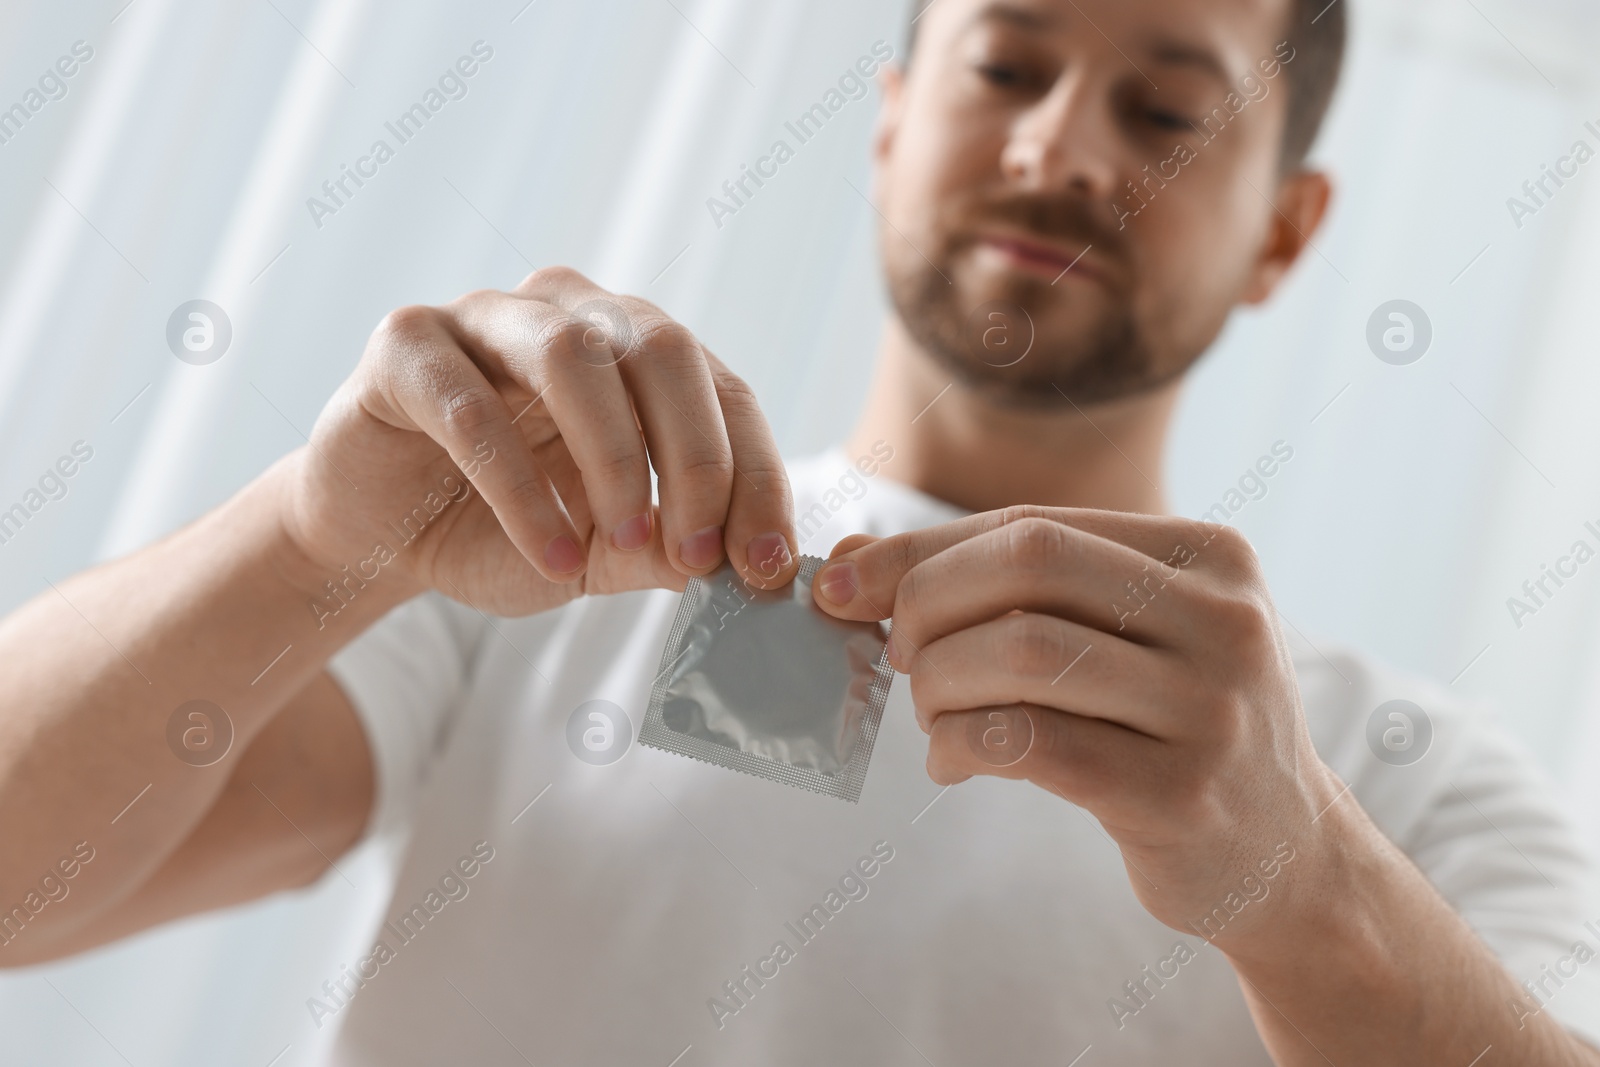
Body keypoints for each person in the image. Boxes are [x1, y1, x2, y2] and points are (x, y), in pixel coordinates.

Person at [2, 0, 1597, 1062]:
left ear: (1287, 231)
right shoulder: (530, 544)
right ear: (893, 121)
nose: (1058, 149)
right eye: (1005, 67)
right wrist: (301, 541)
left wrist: (1299, 881)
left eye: (1169, 105)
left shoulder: (1402, 781)